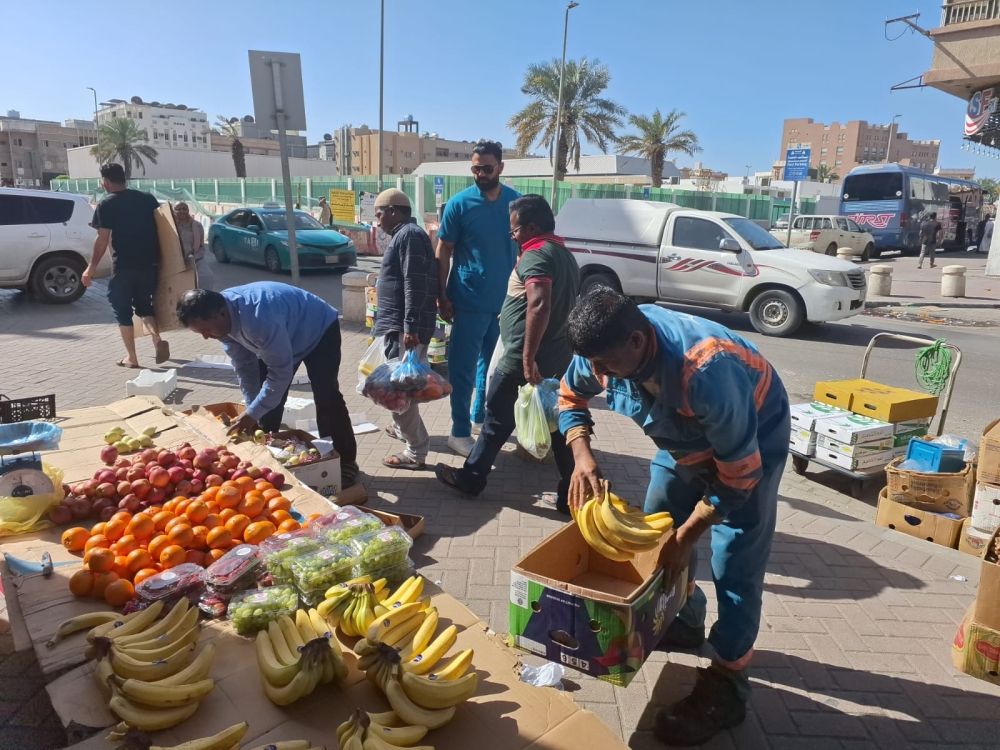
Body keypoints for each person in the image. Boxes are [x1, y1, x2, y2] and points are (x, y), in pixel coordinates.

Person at [559, 287, 790, 746]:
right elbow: (569, 396)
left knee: (735, 561)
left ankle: (728, 684)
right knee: (657, 527)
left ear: (638, 343)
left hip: (750, 443)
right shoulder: (601, 346)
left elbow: (739, 478)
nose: (598, 374)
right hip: (683, 444)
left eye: (606, 367)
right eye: (594, 365)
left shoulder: (708, 370)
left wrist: (690, 534)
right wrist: (581, 454)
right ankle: (683, 619)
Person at [435, 195, 579, 513]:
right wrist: (509, 311)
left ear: (530, 227)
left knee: (496, 420)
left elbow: (539, 304)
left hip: (524, 359)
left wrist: (527, 358)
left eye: (514, 231)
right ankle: (572, 492)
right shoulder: (564, 254)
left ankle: (471, 479)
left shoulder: (537, 254)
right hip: (556, 357)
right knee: (556, 427)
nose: (512, 236)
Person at [175, 283, 359, 488]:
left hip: (318, 330)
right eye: (200, 333)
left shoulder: (258, 320)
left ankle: (344, 461)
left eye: (206, 330)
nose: (206, 336)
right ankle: (267, 459)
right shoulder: (223, 324)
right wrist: (252, 408)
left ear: (222, 314)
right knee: (265, 406)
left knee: (326, 396)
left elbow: (280, 373)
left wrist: (253, 413)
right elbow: (245, 367)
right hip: (281, 335)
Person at [436, 140, 520, 457]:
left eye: (486, 168)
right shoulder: (460, 204)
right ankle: (458, 433)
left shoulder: (516, 204)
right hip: (468, 301)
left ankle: (480, 419)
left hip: (505, 304)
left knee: (495, 369)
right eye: (475, 168)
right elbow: (442, 252)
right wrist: (440, 296)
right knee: (463, 369)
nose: (480, 173)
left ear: (500, 167)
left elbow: (525, 251)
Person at [372, 188, 438, 470]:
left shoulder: (408, 235)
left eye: (379, 214)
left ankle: (415, 452)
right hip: (401, 326)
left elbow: (414, 282)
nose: (377, 221)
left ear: (393, 211)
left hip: (405, 328)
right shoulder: (406, 234)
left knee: (397, 394)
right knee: (405, 388)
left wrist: (409, 327)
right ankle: (404, 431)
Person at [83, 163, 169, 368]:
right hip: (150, 263)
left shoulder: (106, 204)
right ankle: (156, 338)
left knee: (121, 309)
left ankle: (132, 357)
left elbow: (102, 239)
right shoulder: (147, 198)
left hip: (124, 265)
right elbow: (164, 228)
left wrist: (91, 268)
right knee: (144, 304)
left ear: (105, 181)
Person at [174, 202, 213, 291]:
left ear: (188, 210)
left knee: (207, 276)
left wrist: (193, 259)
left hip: (194, 258)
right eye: (178, 209)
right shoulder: (170, 226)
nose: (182, 211)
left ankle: (203, 299)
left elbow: (201, 247)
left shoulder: (197, 226)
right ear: (173, 211)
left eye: (184, 209)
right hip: (175, 260)